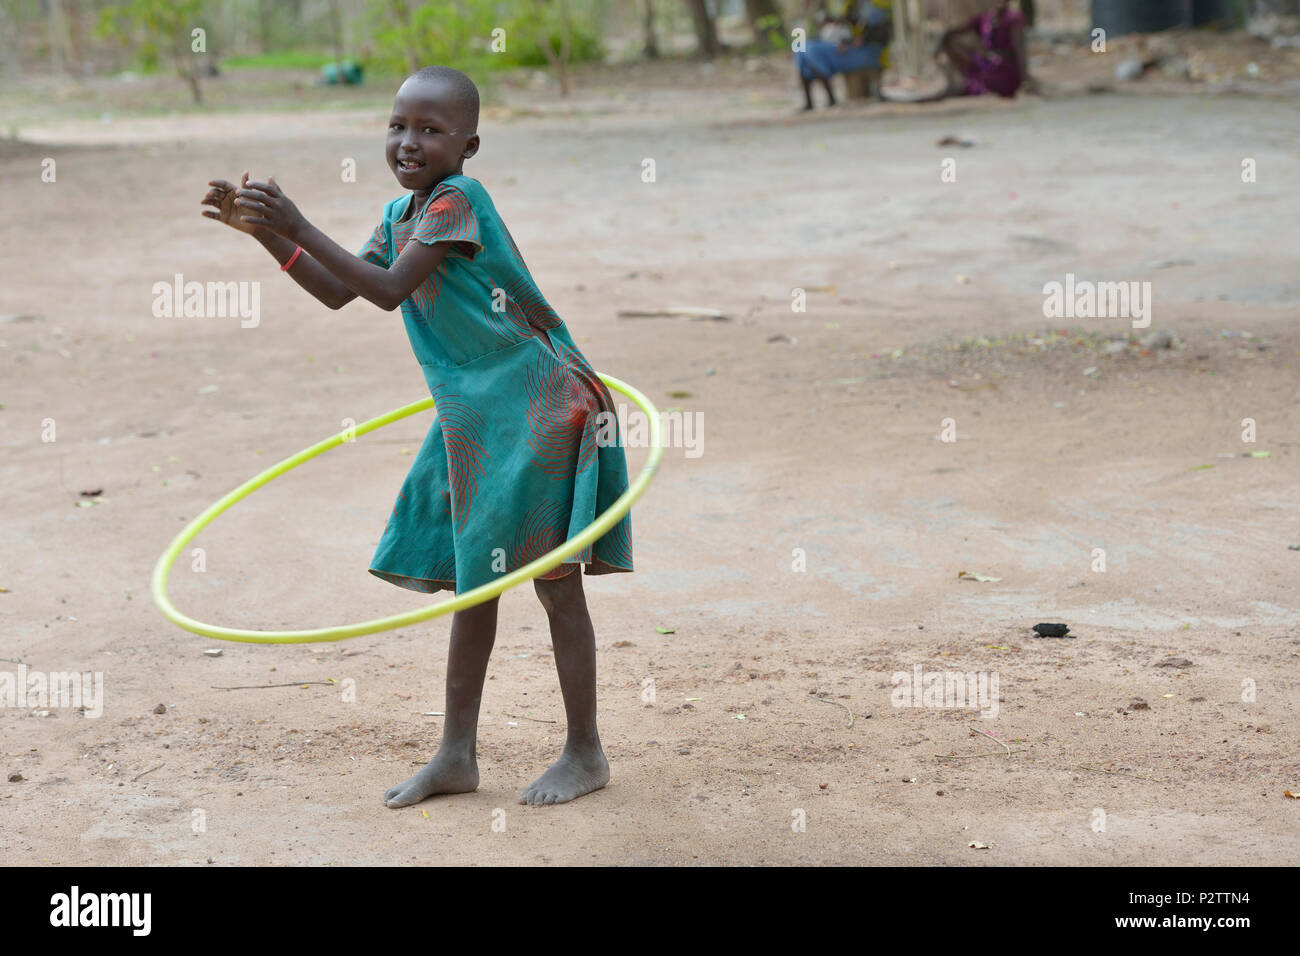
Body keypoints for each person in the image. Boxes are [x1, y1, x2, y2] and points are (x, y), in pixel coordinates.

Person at [199, 65, 633, 808]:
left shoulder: (459, 201)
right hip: (472, 413)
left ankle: (585, 752)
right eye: (399, 126)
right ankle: (456, 757)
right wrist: (268, 235)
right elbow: (343, 291)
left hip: (537, 401)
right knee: (475, 583)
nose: (410, 141)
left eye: (431, 130)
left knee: (553, 584)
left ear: (469, 143)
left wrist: (297, 222)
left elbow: (392, 289)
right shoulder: (404, 212)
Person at [794, 0, 893, 110]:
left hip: (867, 52)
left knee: (812, 50)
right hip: (847, 47)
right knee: (800, 47)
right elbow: (849, 22)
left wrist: (858, 39)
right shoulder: (851, 4)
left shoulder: (877, 4)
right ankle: (811, 101)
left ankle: (830, 98)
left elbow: (882, 33)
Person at [934, 0, 1031, 99]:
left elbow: (1020, 49)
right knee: (954, 45)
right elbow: (960, 30)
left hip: (1005, 68)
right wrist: (943, 39)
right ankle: (961, 82)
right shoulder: (985, 18)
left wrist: (1025, 78)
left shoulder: (1013, 18)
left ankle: (967, 86)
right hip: (987, 64)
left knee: (972, 86)